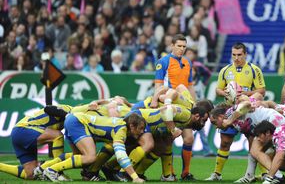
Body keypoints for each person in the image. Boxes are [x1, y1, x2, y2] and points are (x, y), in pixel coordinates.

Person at [206, 42, 266, 182]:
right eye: (234, 55)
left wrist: (244, 92)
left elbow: (261, 91)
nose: (236, 58)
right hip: (229, 110)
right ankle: (217, 174)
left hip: (248, 112)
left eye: (239, 55)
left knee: (254, 143)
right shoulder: (225, 70)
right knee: (225, 142)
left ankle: (263, 173)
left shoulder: (254, 69)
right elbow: (218, 89)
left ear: (245, 54)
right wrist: (226, 93)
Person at [42, 112, 146, 183]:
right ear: (132, 126)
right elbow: (121, 156)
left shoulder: (121, 125)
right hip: (78, 122)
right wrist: (135, 177)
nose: (142, 132)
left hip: (74, 120)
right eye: (141, 128)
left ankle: (42, 168)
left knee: (80, 157)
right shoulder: (121, 130)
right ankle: (52, 170)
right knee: (90, 157)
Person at [153, 34, 197, 181]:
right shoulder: (163, 62)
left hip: (184, 105)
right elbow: (158, 86)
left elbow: (190, 86)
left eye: (184, 46)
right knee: (169, 139)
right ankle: (168, 173)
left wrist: (194, 104)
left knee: (189, 138)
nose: (181, 49)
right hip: (169, 104)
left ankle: (186, 173)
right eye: (179, 46)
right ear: (172, 45)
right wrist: (160, 101)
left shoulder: (187, 62)